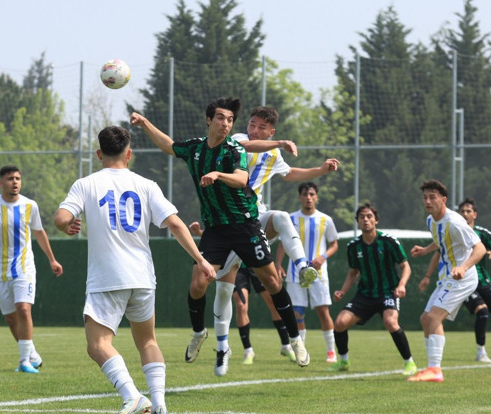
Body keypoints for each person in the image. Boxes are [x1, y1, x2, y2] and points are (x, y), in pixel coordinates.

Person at [130, 97, 311, 376]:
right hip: (215, 230)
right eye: (221, 118)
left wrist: (217, 174)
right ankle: (199, 333)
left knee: (272, 281)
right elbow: (168, 145)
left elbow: (241, 179)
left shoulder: (234, 149)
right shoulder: (195, 149)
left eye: (230, 120)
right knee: (198, 283)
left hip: (246, 225)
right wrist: (144, 123)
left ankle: (296, 340)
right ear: (209, 120)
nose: (226, 124)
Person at [53, 126, 215, 414]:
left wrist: (68, 225)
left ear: (99, 154)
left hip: (108, 278)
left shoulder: (86, 184)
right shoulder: (146, 185)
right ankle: (160, 405)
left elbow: (61, 217)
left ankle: (132, 396)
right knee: (148, 342)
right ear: (129, 153)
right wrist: (201, 260)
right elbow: (177, 225)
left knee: (97, 344)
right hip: (142, 277)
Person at [0, 165, 63, 374]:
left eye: (18, 178)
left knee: (24, 309)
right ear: (1, 183)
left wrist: (52, 260)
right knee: (11, 318)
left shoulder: (30, 205)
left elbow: (39, 233)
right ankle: (32, 354)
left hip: (24, 268)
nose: (15, 182)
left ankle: (23, 361)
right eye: (10, 179)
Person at [418, 198, 491, 362]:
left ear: (475, 214)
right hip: (459, 278)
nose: (465, 214)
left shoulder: (479, 232)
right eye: (462, 211)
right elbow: (439, 248)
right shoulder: (449, 226)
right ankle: (480, 352)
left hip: (479, 279)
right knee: (481, 311)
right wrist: (427, 269)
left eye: (468, 211)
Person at [408, 180, 486, 382]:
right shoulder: (431, 220)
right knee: (425, 319)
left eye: (432, 197)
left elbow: (480, 249)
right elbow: (442, 241)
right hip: (447, 278)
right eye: (425, 197)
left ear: (443, 200)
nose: (428, 201)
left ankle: (435, 370)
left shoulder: (455, 221)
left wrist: (463, 267)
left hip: (464, 277)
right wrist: (426, 250)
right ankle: (430, 369)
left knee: (433, 317)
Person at [188, 222, 297, 364]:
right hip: (238, 268)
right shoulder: (222, 211)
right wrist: (200, 233)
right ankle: (248, 350)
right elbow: (222, 239)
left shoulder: (254, 211)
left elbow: (264, 234)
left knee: (272, 302)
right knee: (241, 305)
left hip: (255, 263)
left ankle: (286, 345)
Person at [332, 203, 417, 375]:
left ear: (376, 220)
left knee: (390, 322)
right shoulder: (353, 246)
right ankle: (343, 362)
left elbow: (406, 266)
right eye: (362, 217)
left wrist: (401, 285)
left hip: (388, 292)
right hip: (365, 294)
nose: (366, 220)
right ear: (357, 221)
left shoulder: (389, 241)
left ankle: (410, 363)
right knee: (340, 323)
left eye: (369, 216)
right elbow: (353, 272)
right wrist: (342, 291)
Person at [277, 182, 339, 363]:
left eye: (312, 194)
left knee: (323, 311)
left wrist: (323, 257)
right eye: (305, 194)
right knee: (296, 312)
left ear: (316, 197)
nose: (308, 198)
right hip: (295, 273)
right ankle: (301, 350)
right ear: (300, 197)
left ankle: (331, 351)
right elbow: (283, 243)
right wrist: (278, 264)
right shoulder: (290, 218)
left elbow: (334, 243)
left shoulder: (325, 219)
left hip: (318, 274)